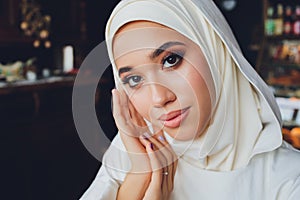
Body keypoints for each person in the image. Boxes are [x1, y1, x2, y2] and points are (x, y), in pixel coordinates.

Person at [80, 0, 300, 199]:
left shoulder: (288, 178)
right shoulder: (134, 150)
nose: (158, 98)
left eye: (171, 60)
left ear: (215, 50)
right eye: (135, 79)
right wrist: (138, 179)